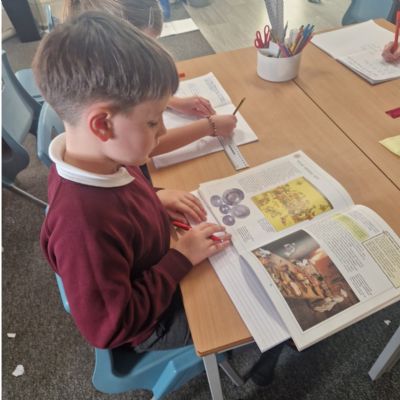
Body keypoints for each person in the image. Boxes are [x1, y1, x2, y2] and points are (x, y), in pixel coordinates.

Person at [34, 10, 232, 351]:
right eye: (153, 122)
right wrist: (181, 258)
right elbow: (111, 327)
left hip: (155, 261)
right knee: (246, 308)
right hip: (152, 321)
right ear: (102, 125)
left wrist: (153, 197)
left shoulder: (98, 158)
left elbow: (120, 198)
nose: (163, 130)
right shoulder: (83, 223)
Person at [62, 0, 238, 160]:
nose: (149, 54)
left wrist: (173, 102)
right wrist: (208, 126)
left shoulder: (93, 65)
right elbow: (143, 146)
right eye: (144, 46)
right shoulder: (96, 86)